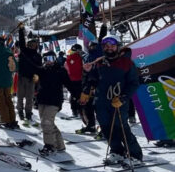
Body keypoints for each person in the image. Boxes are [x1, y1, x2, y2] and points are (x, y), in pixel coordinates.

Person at [81, 35, 143, 164]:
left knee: (121, 128)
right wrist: (87, 80)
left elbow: (134, 83)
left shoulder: (127, 63)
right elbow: (93, 78)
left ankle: (135, 155)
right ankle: (117, 151)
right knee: (106, 128)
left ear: (118, 47)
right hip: (101, 101)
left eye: (112, 46)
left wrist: (124, 97)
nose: (109, 48)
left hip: (118, 101)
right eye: (106, 46)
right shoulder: (100, 62)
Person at [35, 51, 74, 154]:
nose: (49, 62)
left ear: (55, 59)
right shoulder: (42, 70)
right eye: (46, 59)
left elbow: (69, 84)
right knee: (48, 123)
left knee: (46, 123)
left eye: (51, 59)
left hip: (54, 101)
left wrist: (77, 96)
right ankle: (60, 145)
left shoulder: (60, 70)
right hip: (42, 100)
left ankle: (49, 146)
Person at [0, 36, 18, 128]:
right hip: (7, 81)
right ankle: (12, 119)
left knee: (0, 100)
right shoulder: (8, 52)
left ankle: (5, 119)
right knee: (8, 100)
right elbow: (15, 67)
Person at [17, 25, 41, 122]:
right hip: (22, 77)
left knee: (30, 98)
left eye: (35, 44)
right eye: (32, 43)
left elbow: (39, 69)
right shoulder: (24, 51)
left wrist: (38, 81)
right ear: (29, 44)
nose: (33, 45)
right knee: (20, 96)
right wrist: (21, 31)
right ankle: (20, 111)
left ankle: (28, 113)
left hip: (31, 79)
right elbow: (22, 42)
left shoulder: (38, 56)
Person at [65, 44, 84, 118]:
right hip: (78, 79)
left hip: (72, 79)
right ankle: (78, 110)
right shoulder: (78, 57)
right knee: (78, 95)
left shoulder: (68, 58)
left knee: (74, 95)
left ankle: (75, 110)